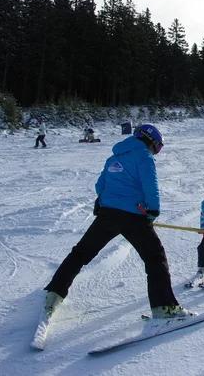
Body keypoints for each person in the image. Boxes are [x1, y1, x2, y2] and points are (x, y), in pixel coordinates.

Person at [42, 124, 192, 319]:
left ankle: (54, 292)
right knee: (155, 257)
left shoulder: (114, 157)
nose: (156, 152)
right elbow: (150, 185)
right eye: (158, 147)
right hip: (134, 216)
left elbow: (100, 185)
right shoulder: (143, 156)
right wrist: (153, 209)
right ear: (150, 141)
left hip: (108, 214)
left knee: (81, 252)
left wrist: (104, 201)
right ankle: (164, 308)